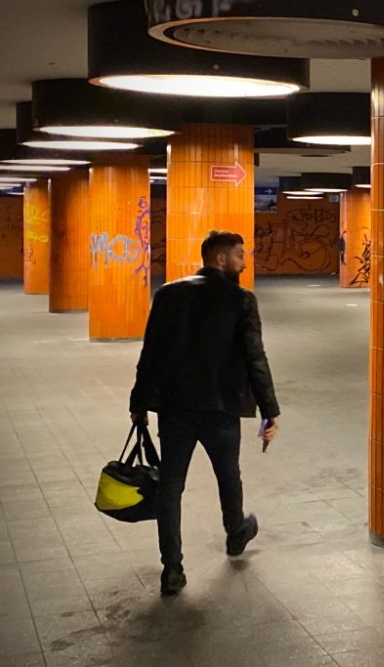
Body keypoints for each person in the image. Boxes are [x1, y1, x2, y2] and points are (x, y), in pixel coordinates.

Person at [129, 230, 280, 596]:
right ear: (220, 259)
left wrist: (139, 403)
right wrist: (269, 410)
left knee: (170, 487)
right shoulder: (241, 300)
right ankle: (235, 533)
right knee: (228, 474)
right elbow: (254, 357)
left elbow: (152, 353)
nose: (244, 262)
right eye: (240, 255)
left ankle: (172, 569)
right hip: (221, 406)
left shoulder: (168, 295)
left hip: (175, 408)